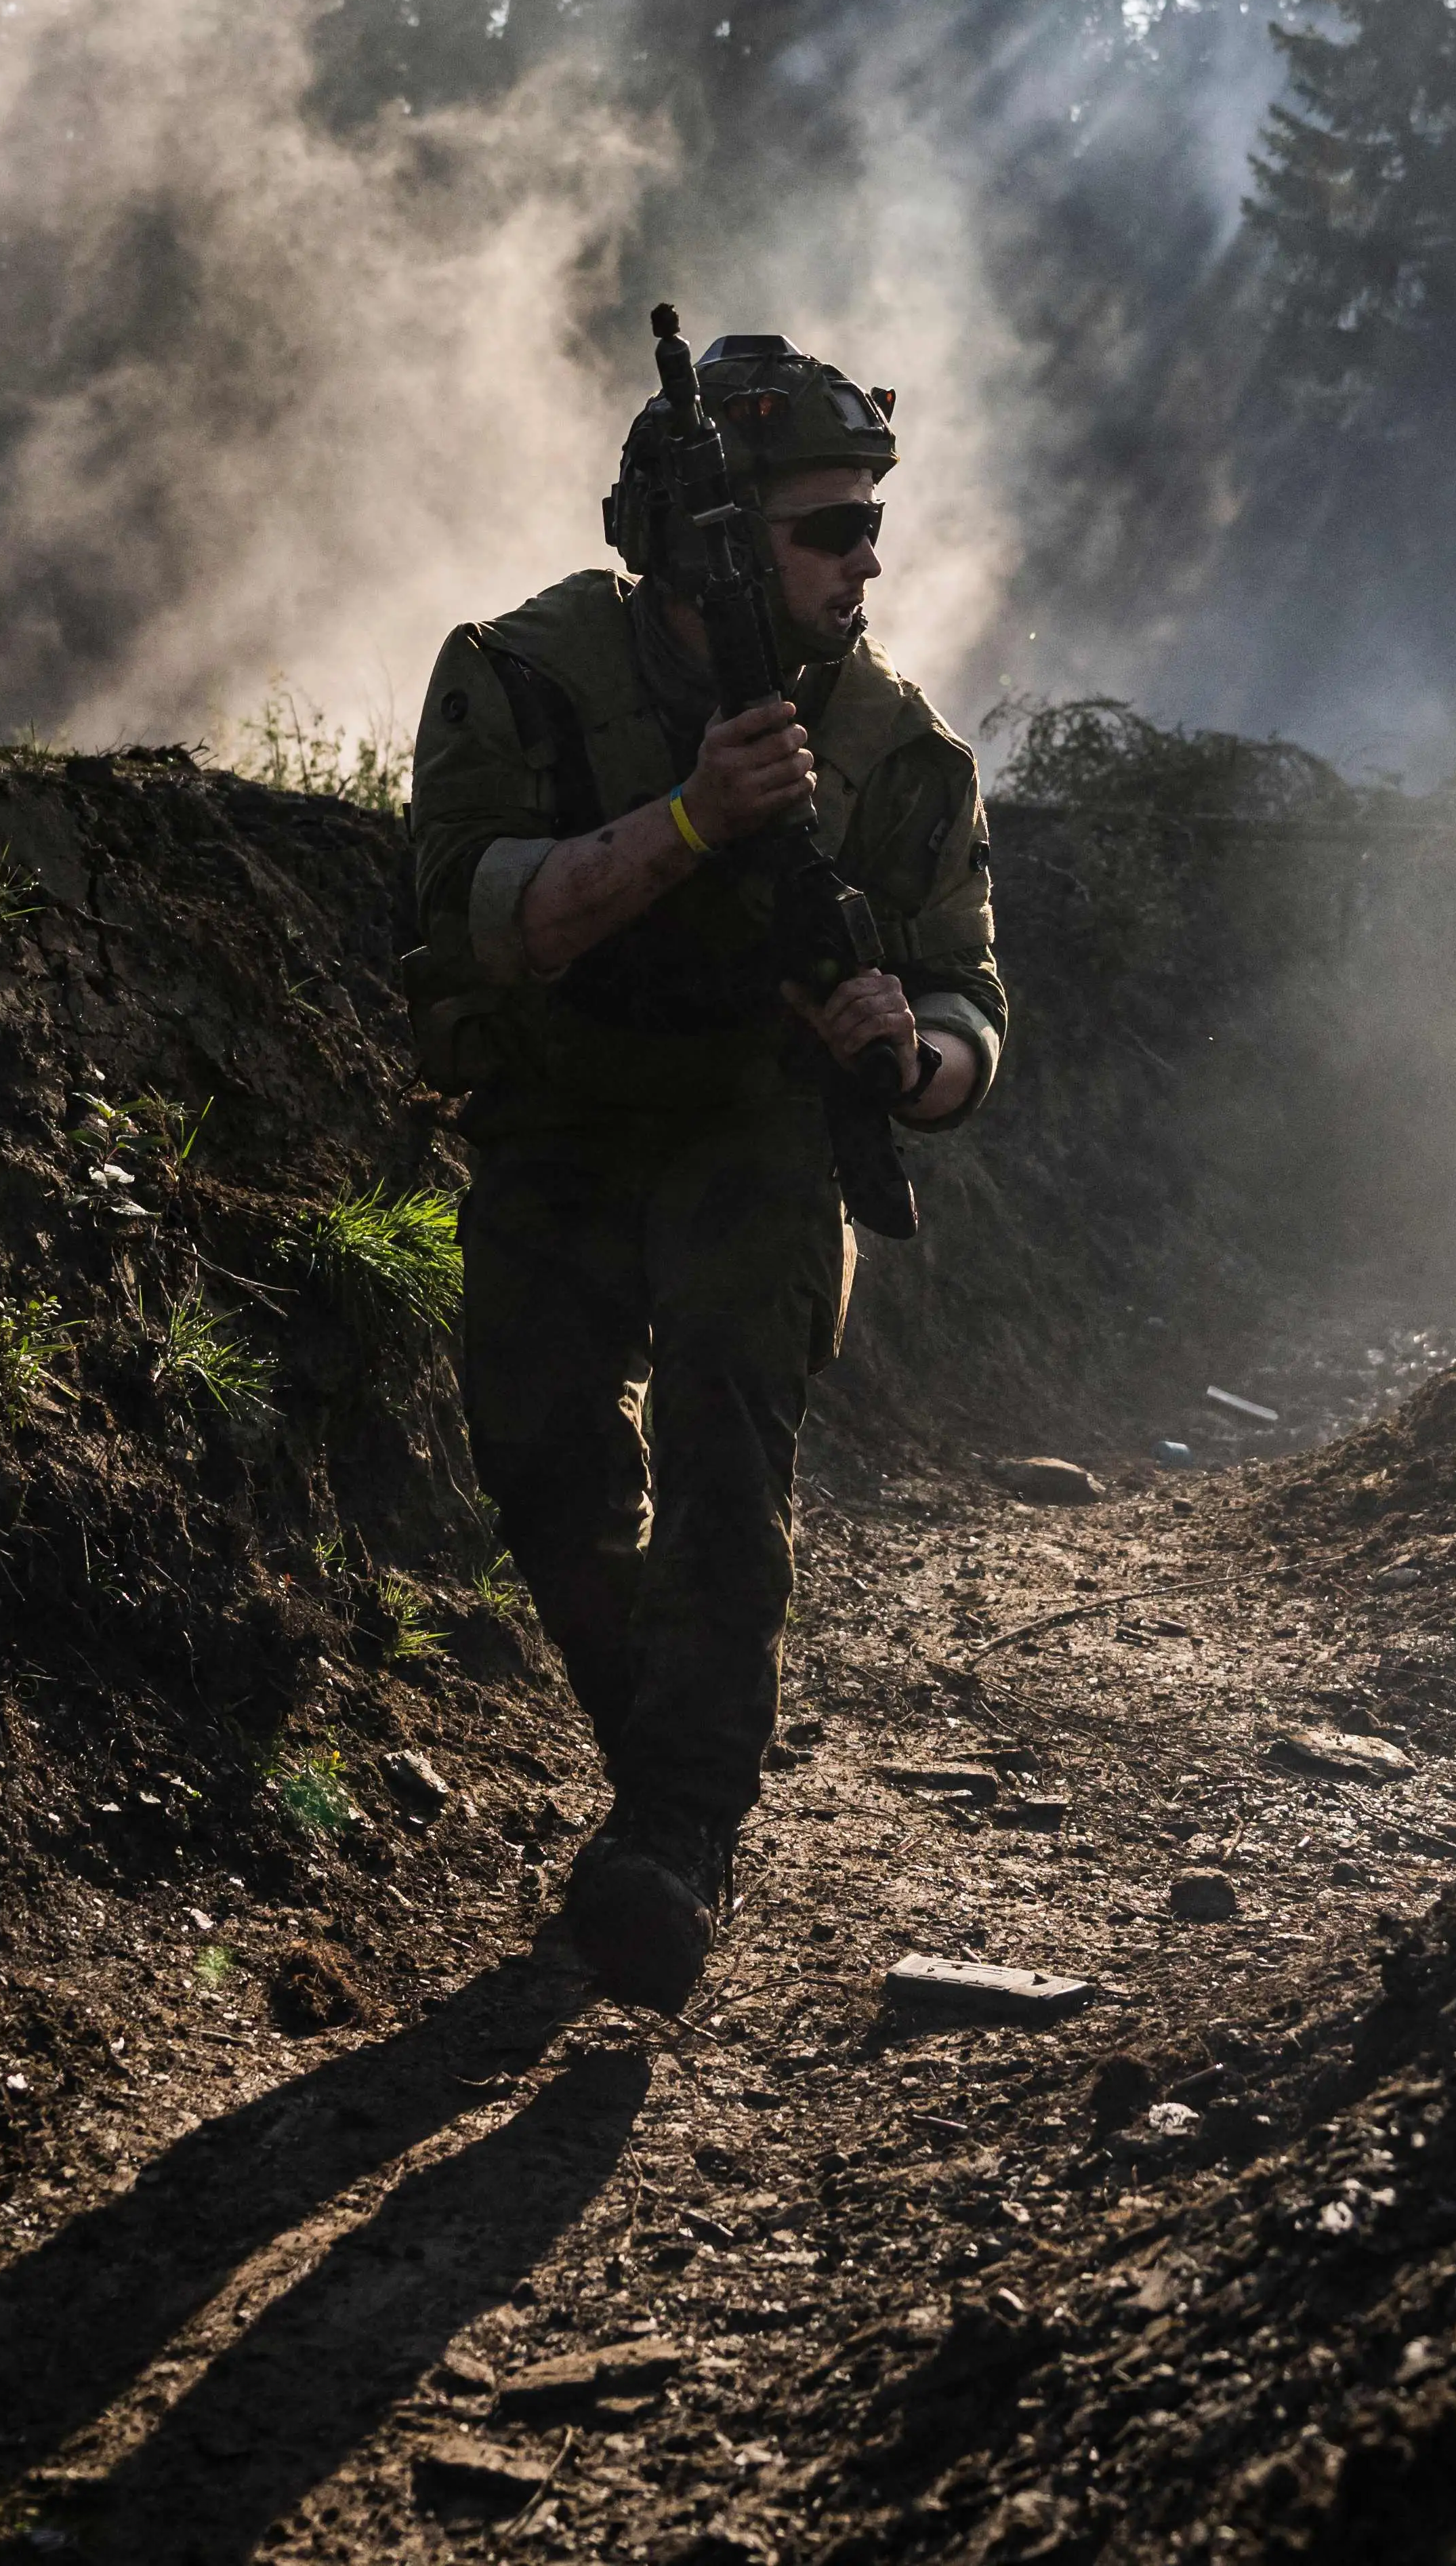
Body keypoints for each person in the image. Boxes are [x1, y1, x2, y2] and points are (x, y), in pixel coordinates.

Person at [402, 330, 1005, 2010]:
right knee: (541, 1463)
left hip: (754, 1128)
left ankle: (677, 1837)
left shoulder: (894, 748)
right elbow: (471, 912)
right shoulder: (521, 674)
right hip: (561, 1116)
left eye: (871, 523)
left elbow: (968, 995)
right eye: (829, 530)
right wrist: (689, 825)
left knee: (728, 1445)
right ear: (709, 542)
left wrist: (913, 1058)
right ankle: (662, 1776)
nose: (866, 560)